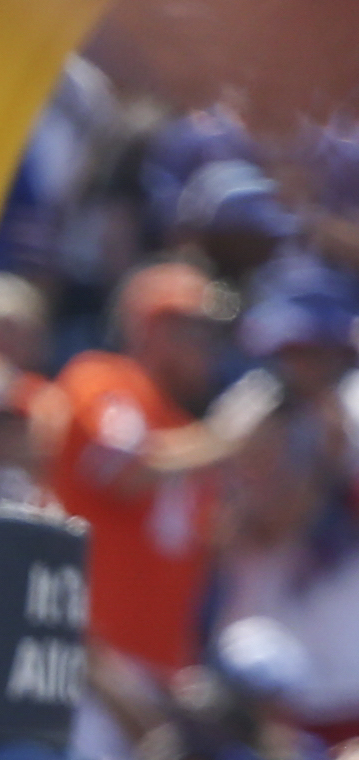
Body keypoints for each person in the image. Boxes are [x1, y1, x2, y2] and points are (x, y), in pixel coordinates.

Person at [54, 261, 246, 685]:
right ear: (153, 329)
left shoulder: (188, 433)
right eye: (196, 329)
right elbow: (124, 473)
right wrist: (228, 439)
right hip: (90, 662)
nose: (209, 345)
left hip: (163, 667)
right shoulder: (104, 381)